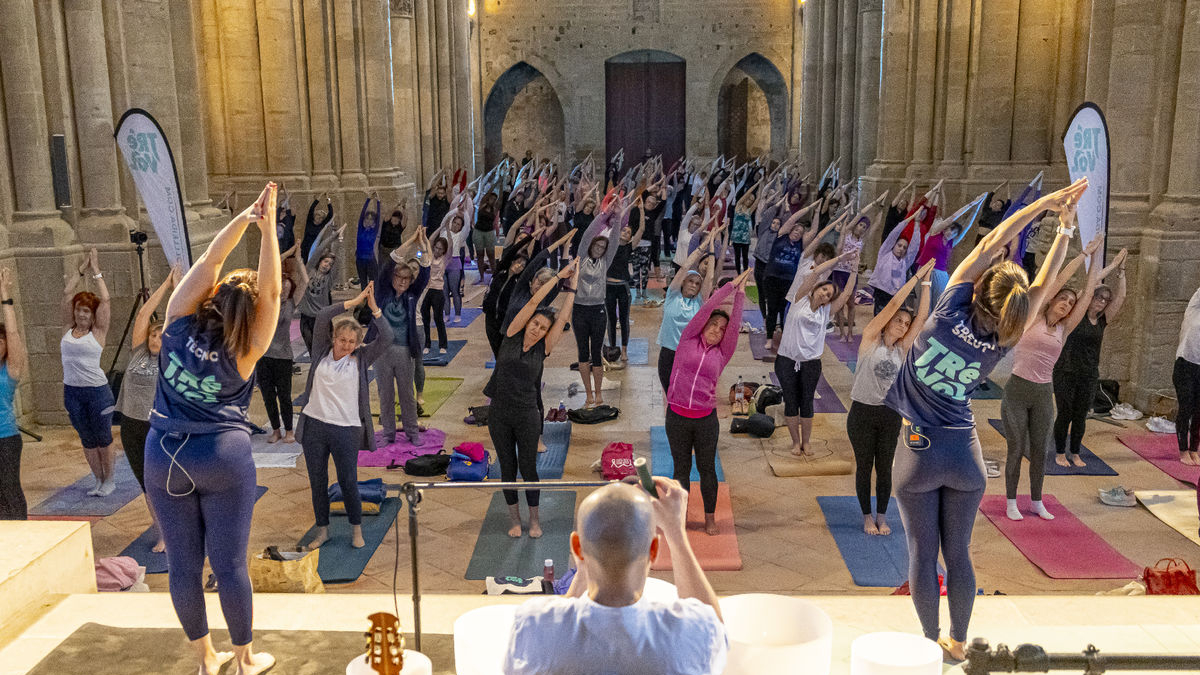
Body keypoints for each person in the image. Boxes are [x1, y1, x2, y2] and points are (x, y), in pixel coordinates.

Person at [881, 177, 1088, 660]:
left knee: (920, 555)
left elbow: (993, 241)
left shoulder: (951, 307)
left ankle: (932, 645)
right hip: (965, 455)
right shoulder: (1009, 336)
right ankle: (957, 641)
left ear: (979, 291)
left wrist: (1044, 207)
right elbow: (1041, 288)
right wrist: (1064, 234)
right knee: (959, 556)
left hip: (919, 451)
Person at [147, 182, 281, 675]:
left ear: (212, 298)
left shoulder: (178, 319)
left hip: (164, 453)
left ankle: (206, 660)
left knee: (183, 565)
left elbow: (208, 261)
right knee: (229, 566)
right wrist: (268, 231)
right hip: (222, 457)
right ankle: (245, 660)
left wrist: (244, 219)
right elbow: (271, 290)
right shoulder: (247, 348)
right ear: (249, 315)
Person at [503, 479, 727, 675]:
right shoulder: (686, 633)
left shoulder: (533, 623)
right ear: (654, 550)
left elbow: (559, 624)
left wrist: (582, 573)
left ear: (577, 547)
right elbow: (715, 631)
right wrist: (675, 532)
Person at [1003, 233, 1103, 521]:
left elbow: (1087, 295)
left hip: (1043, 393)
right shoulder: (1033, 317)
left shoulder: (1065, 329)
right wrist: (1083, 255)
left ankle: (1036, 500)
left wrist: (1097, 258)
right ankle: (1011, 500)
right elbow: (1053, 282)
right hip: (1017, 391)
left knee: (1039, 451)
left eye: (1071, 304)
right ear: (1053, 302)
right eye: (1063, 300)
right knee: (1016, 448)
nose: (1067, 304)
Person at [485, 259, 578, 538]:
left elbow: (561, 319)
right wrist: (558, 277)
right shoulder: (512, 333)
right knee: (507, 468)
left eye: (542, 328)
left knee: (529, 468)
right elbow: (534, 301)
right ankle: (515, 520)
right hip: (499, 413)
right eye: (535, 324)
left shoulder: (544, 348)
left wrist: (571, 288)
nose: (537, 330)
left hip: (527, 414)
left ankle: (534, 520)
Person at [296, 283, 390, 550]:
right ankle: (322, 530)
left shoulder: (360, 358)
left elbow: (388, 338)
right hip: (314, 426)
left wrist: (373, 309)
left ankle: (356, 529)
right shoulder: (320, 353)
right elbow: (325, 314)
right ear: (334, 338)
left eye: (352, 341)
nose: (346, 345)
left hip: (346, 429)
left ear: (357, 343)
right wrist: (354, 300)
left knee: (348, 480)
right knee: (318, 481)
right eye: (342, 340)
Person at [848, 261, 933, 535]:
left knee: (885, 467)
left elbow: (922, 318)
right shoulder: (871, 339)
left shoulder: (902, 350)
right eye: (898, 320)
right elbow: (894, 303)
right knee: (865, 466)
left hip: (889, 415)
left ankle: (882, 516)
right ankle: (865, 516)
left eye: (905, 324)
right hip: (862, 413)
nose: (903, 325)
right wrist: (916, 276)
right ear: (888, 322)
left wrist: (927, 283)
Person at [665, 269, 751, 535]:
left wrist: (741, 295)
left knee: (707, 470)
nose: (717, 330)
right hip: (677, 416)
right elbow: (709, 308)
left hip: (705, 419)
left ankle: (710, 517)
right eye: (713, 324)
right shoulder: (688, 338)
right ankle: (679, 517)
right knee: (681, 470)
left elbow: (734, 324)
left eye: (721, 329)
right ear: (703, 324)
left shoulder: (723, 352)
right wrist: (728, 289)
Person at [116, 267, 178, 550]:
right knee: (145, 484)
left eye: (160, 337)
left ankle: (176, 527)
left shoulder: (170, 360)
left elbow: (181, 322)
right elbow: (143, 316)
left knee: (161, 482)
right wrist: (164, 285)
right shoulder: (139, 352)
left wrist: (178, 292)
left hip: (157, 427)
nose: (155, 340)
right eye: (153, 336)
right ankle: (162, 530)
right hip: (130, 425)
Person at [774, 252, 858, 456]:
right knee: (791, 402)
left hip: (810, 363)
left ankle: (807, 442)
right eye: (824, 290)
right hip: (787, 360)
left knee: (807, 402)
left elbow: (846, 294)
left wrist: (854, 268)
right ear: (817, 288)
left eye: (829, 295)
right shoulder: (799, 298)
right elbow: (816, 272)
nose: (825, 295)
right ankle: (796, 442)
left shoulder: (825, 312)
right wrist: (840, 259)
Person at [1052, 250, 1128, 466]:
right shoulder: (1076, 313)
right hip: (1065, 370)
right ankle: (1059, 452)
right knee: (1065, 412)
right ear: (1091, 297)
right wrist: (1112, 266)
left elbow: (1121, 298)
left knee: (1080, 415)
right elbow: (1090, 283)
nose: (1102, 302)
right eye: (1099, 297)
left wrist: (1122, 273)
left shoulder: (1102, 321)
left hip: (1088, 374)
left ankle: (1075, 452)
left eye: (1105, 300)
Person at [61, 248, 116, 496]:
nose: (81, 314)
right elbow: (67, 292)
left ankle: (110, 479)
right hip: (72, 392)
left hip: (97, 392)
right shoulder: (67, 328)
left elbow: (105, 300)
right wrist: (81, 268)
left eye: (86, 311)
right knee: (86, 438)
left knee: (103, 437)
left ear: (92, 316)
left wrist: (96, 270)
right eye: (79, 309)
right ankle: (98, 478)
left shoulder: (98, 333)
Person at [372, 228, 432, 446]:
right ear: (393, 277)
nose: (403, 281)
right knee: (385, 394)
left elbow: (425, 272)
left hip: (403, 349)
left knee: (407, 394)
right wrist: (410, 241)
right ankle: (388, 433)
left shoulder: (411, 295)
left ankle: (412, 432)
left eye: (407, 279)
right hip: (380, 351)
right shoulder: (382, 292)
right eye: (399, 277)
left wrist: (423, 246)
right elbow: (391, 260)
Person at [574, 199, 627, 406]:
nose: (599, 248)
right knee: (582, 352)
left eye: (602, 246)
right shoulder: (582, 257)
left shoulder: (605, 262)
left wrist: (619, 217)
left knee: (597, 352)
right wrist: (604, 214)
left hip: (597, 310)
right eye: (597, 245)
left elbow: (614, 240)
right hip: (579, 310)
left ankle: (598, 392)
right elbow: (588, 234)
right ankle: (588, 393)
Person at [761, 200, 832, 352]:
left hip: (788, 281)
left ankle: (785, 336)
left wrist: (817, 212)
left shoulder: (801, 246)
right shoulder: (781, 237)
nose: (797, 234)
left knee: (783, 309)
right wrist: (809, 207)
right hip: (772, 277)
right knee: (772, 309)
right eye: (795, 231)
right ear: (790, 231)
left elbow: (814, 232)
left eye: (800, 233)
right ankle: (769, 338)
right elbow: (792, 219)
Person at [656, 232, 718, 393]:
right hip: (668, 353)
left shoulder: (699, 303)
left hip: (689, 354)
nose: (693, 285)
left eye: (697, 283)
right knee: (669, 393)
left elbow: (709, 278)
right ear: (683, 282)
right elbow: (685, 267)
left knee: (684, 394)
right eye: (690, 281)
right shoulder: (672, 296)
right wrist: (702, 247)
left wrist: (712, 249)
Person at [257, 246, 306, 444]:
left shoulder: (291, 304)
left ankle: (289, 430)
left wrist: (300, 259)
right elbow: (268, 268)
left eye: (287, 289)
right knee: (268, 396)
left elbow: (305, 282)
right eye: (281, 288)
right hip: (264, 356)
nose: (284, 291)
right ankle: (275, 430)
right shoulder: (266, 302)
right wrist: (287, 253)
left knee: (284, 396)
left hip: (283, 357)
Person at [831, 192, 888, 342]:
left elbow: (875, 226)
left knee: (850, 304)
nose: (862, 228)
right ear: (856, 225)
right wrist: (873, 204)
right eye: (861, 225)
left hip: (851, 273)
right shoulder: (848, 232)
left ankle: (850, 333)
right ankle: (842, 333)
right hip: (839, 271)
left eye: (864, 227)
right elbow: (860, 214)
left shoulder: (862, 241)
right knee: (838, 303)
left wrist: (881, 209)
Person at [0, 269, 29, 520]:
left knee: (9, 488)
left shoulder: (10, 370)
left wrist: (5, 296)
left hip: (5, 438)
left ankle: (21, 531)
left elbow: (13, 333)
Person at [606, 202, 647, 362]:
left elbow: (642, 229)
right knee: (611, 319)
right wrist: (622, 212)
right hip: (608, 286)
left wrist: (642, 210)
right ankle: (612, 348)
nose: (625, 233)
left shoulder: (629, 247)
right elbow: (616, 225)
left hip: (622, 286)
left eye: (628, 232)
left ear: (630, 237)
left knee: (623, 319)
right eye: (623, 230)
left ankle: (624, 350)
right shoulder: (610, 243)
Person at [297, 220, 344, 355]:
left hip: (322, 318)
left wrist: (339, 241)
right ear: (320, 261)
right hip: (306, 317)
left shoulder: (329, 279)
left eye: (330, 264)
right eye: (325, 261)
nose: (327, 265)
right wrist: (331, 237)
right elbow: (317, 250)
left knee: (325, 351)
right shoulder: (309, 270)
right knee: (313, 352)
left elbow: (338, 260)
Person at [866, 210, 922, 316]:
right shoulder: (885, 253)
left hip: (895, 295)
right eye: (899, 245)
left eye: (904, 248)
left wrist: (917, 223)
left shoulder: (905, 262)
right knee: (878, 319)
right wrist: (908, 220)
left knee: (891, 319)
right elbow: (893, 235)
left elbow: (914, 247)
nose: (901, 249)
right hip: (881, 292)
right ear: (894, 245)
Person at [1176, 282, 1200, 466]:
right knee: (1186, 408)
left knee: (1199, 411)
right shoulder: (1194, 308)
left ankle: (1194, 449)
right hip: (1185, 364)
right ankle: (1183, 450)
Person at [354, 194, 382, 290]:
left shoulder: (373, 231)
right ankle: (364, 301)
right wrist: (368, 199)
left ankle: (373, 300)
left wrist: (378, 202)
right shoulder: (361, 230)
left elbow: (378, 217)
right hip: (360, 259)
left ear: (374, 222)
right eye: (367, 218)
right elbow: (362, 214)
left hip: (370, 259)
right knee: (363, 282)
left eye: (371, 219)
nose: (369, 220)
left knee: (372, 281)